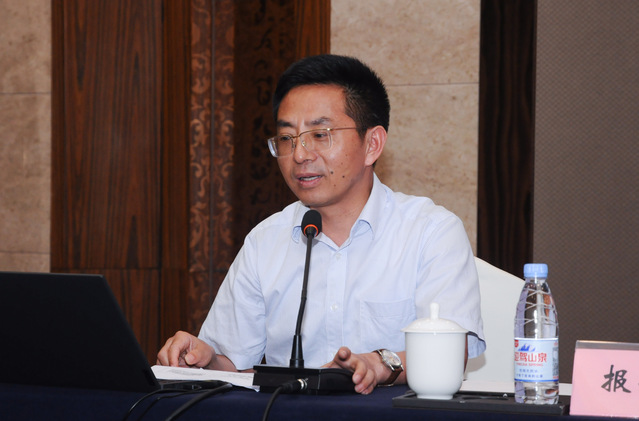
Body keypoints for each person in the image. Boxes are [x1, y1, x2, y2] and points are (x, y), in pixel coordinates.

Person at [157, 54, 485, 395]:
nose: (300, 155)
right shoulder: (265, 241)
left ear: (372, 144)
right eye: (287, 138)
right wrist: (205, 360)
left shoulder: (431, 232)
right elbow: (235, 364)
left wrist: (379, 364)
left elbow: (449, 355)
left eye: (319, 134)